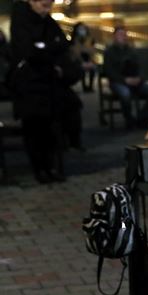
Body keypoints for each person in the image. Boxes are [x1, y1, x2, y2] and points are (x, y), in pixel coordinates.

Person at [9, 0, 74, 183]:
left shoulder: (49, 22)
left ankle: (51, 166)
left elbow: (62, 44)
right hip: (29, 87)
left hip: (48, 86)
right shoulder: (22, 20)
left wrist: (44, 47)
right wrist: (47, 48)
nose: (48, 5)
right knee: (34, 130)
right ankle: (40, 169)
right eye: (43, 3)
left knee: (51, 129)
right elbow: (28, 51)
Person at [103, 26, 148, 129]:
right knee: (125, 94)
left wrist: (139, 78)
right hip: (118, 81)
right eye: (120, 35)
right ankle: (129, 119)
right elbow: (109, 72)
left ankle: (143, 116)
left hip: (135, 80)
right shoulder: (109, 52)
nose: (123, 37)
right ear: (114, 37)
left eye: (124, 35)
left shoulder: (131, 51)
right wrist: (125, 80)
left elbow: (140, 67)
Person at [69, 22, 96, 92]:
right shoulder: (74, 40)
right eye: (80, 29)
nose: (82, 30)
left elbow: (92, 51)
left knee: (92, 69)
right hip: (78, 60)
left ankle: (90, 86)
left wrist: (90, 61)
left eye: (83, 28)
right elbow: (76, 53)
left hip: (88, 59)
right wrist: (82, 62)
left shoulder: (90, 39)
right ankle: (84, 87)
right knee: (82, 70)